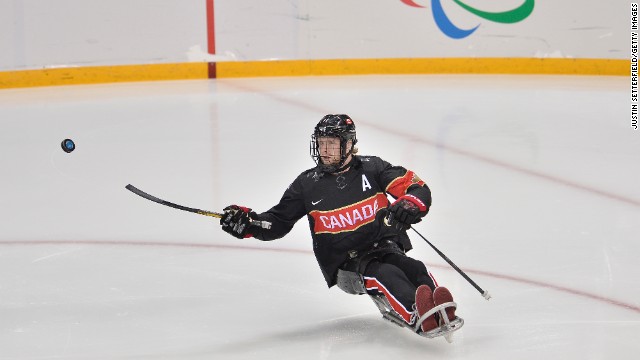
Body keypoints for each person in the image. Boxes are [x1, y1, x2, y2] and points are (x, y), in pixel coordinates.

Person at [220, 114, 458, 334]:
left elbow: (416, 188)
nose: (325, 150)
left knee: (413, 267)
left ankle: (437, 305)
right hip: (349, 263)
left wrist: (409, 204)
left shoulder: (373, 168)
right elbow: (277, 222)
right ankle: (416, 313)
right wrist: (248, 223)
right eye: (321, 143)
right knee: (385, 274)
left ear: (348, 144)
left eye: (332, 143)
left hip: (386, 246)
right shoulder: (306, 184)